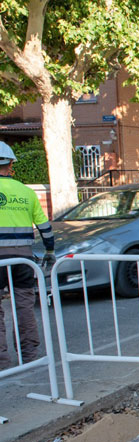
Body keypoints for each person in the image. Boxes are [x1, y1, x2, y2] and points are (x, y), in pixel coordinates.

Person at [0, 141, 54, 366]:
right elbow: (45, 228)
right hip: (23, 259)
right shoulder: (26, 192)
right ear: (11, 164)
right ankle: (29, 356)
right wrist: (50, 251)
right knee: (23, 306)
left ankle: (2, 362)